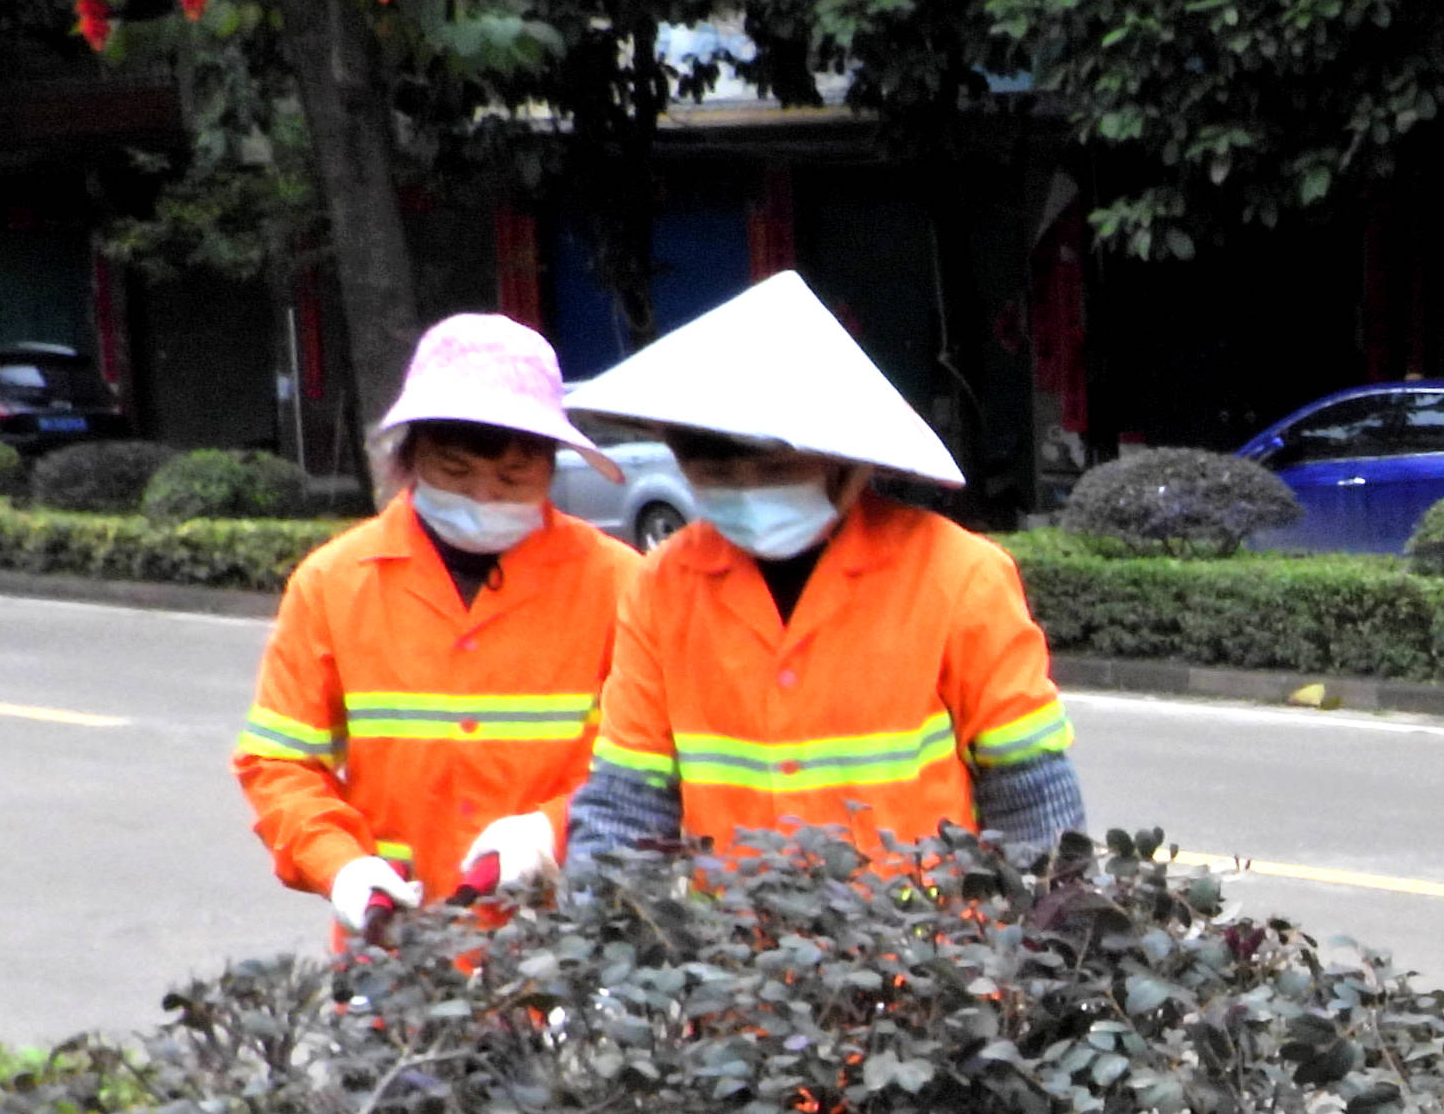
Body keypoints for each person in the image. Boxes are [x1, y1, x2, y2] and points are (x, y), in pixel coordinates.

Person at [551, 271, 1085, 867]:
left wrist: (1048, 934)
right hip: (733, 950)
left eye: (778, 472)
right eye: (719, 478)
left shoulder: (961, 577)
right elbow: (627, 802)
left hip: (928, 950)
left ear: (845, 463)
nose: (749, 494)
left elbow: (1032, 794)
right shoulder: (662, 585)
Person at [235, 312, 638, 932]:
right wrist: (342, 867)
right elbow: (281, 763)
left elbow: (653, 764)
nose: (484, 496)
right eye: (456, 472)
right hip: (398, 942)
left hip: (568, 946)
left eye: (513, 476)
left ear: (553, 467)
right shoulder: (334, 582)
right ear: (410, 458)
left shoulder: (620, 584)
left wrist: (551, 831)